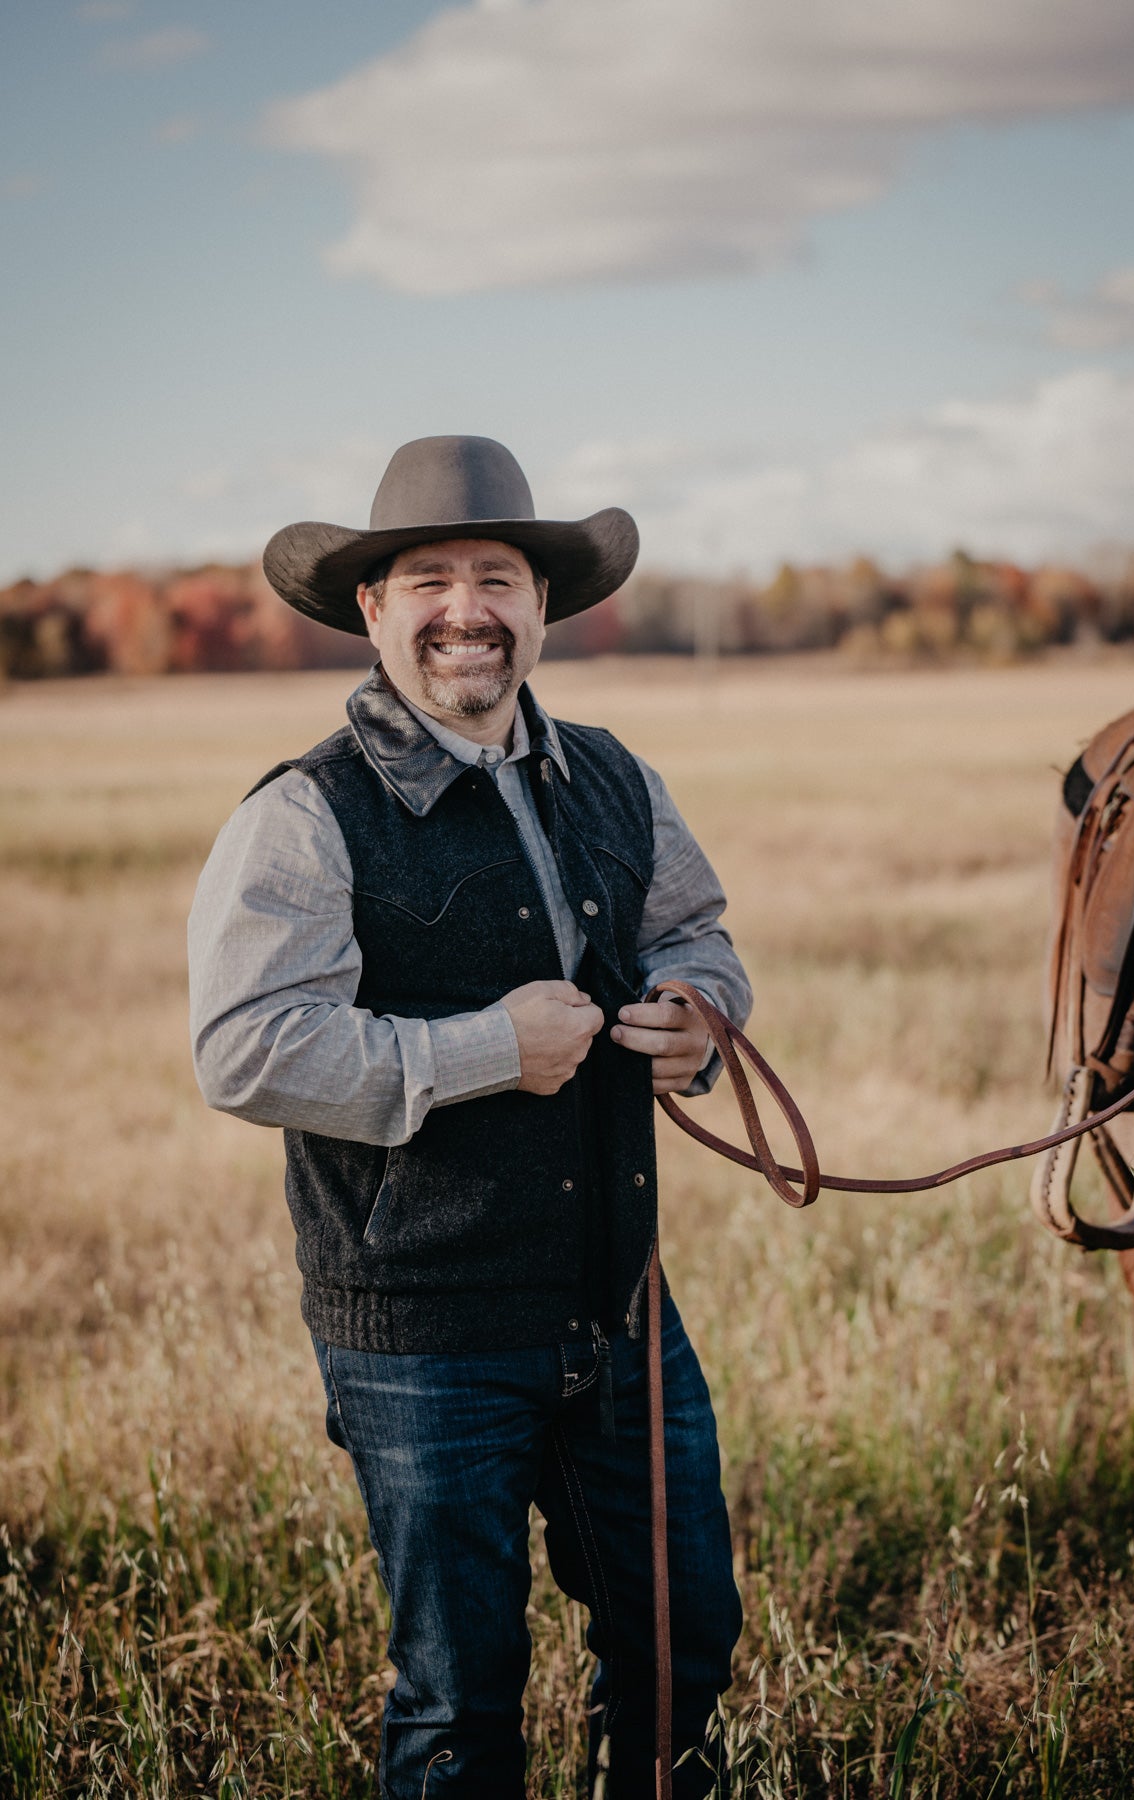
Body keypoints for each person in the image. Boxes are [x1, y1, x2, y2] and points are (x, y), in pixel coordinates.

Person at [188, 435, 750, 1798]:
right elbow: (246, 1051)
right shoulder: (305, 814)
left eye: (496, 577)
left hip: (620, 1304)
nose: (466, 610)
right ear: (372, 610)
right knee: (457, 1711)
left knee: (684, 1645)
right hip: (425, 1338)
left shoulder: (614, 775)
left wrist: (702, 1014)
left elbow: (700, 933)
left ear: (541, 606)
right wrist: (485, 1050)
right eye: (427, 579)